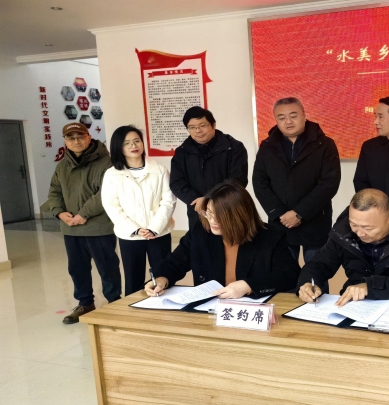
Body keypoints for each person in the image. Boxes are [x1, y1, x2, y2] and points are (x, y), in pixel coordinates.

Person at [297, 189, 389, 328]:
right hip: (357, 308)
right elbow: (319, 264)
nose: (360, 233)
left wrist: (371, 286)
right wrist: (307, 282)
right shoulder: (343, 233)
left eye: (368, 228)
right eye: (354, 224)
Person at [145, 180, 300, 299]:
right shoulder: (201, 232)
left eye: (220, 216)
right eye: (209, 213)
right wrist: (161, 278)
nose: (212, 221)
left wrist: (249, 286)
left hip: (253, 309)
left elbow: (289, 275)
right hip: (210, 308)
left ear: (240, 216)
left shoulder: (270, 236)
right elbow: (175, 262)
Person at [41, 122, 122, 324]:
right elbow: (54, 192)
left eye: (80, 137)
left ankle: (114, 303)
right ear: (65, 142)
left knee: (107, 267)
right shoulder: (62, 166)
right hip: (71, 228)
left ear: (88, 137)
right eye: (71, 138)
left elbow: (106, 193)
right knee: (77, 268)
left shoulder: (106, 163)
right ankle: (85, 303)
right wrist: (60, 213)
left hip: (99, 227)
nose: (76, 141)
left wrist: (84, 214)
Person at [253, 97, 341, 266]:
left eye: (293, 116)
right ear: (276, 120)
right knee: (283, 272)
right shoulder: (267, 146)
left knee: (316, 272)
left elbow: (329, 183)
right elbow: (259, 182)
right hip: (281, 222)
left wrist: (300, 213)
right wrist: (280, 213)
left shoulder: (325, 144)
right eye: (282, 117)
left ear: (304, 115)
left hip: (315, 220)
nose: (288, 121)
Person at [101, 125, 177, 296]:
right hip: (130, 235)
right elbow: (111, 205)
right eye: (126, 143)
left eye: (137, 141)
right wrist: (134, 229)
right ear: (118, 147)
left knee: (164, 275)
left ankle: (166, 307)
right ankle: (133, 307)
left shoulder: (159, 169)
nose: (133, 146)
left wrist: (154, 228)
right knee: (133, 278)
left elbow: (169, 201)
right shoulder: (112, 174)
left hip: (159, 233)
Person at [170, 106, 248, 228]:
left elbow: (238, 179)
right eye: (192, 127)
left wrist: (208, 198)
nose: (198, 131)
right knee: (199, 239)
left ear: (213, 125)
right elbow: (176, 182)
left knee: (230, 238)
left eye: (202, 125)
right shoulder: (182, 152)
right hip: (198, 210)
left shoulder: (234, 147)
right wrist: (197, 200)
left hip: (228, 208)